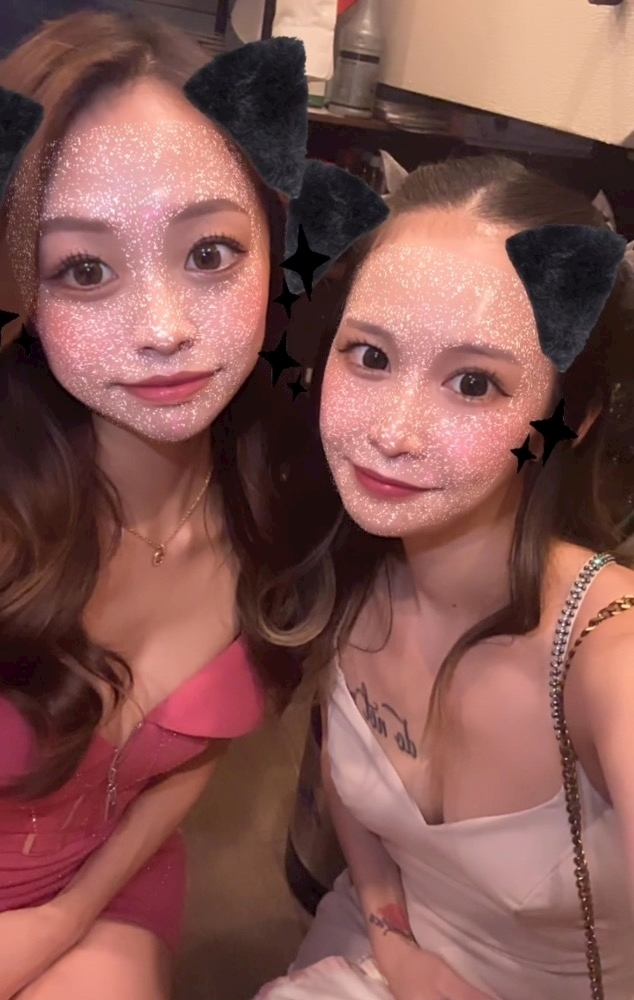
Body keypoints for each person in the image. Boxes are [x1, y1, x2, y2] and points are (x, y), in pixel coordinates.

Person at [0, 10, 358, 999]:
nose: (162, 328)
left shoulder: (292, 500)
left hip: (112, 875)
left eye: (208, 254)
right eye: (85, 268)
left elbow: (191, 757)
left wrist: (71, 913)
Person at [255, 155, 634, 1000]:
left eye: (472, 382)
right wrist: (392, 937)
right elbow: (355, 789)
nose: (393, 432)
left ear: (572, 418)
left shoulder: (611, 657)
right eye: (370, 355)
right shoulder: (350, 564)